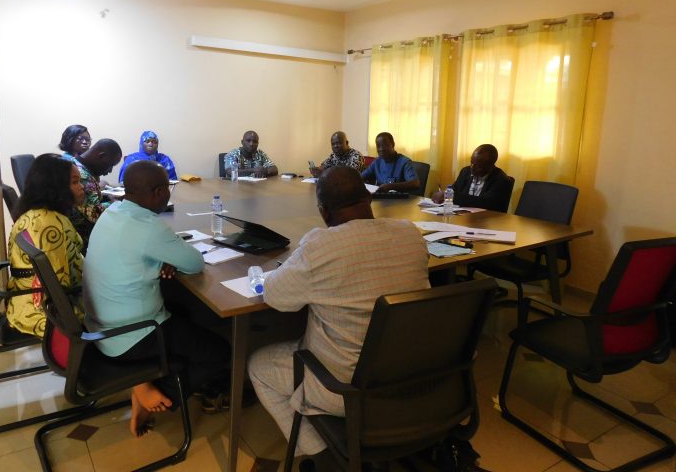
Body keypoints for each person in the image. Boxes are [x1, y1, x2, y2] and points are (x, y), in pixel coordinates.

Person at [247, 166, 430, 468]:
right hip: (413, 373)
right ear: (368, 199)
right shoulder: (411, 233)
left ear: (323, 212)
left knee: (258, 366)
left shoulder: (321, 245)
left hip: (346, 387)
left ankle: (325, 458)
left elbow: (277, 297)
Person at [82, 161, 231, 437]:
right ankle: (156, 395)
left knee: (182, 305)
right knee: (220, 351)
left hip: (98, 326)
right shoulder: (149, 228)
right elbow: (195, 263)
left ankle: (151, 379)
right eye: (169, 189)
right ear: (159, 192)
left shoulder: (113, 211)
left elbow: (147, 252)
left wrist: (165, 256)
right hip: (134, 336)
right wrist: (170, 254)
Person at [7, 153, 84, 338]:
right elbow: (59, 288)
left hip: (23, 302)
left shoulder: (33, 214)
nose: (81, 188)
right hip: (44, 313)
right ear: (56, 187)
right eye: (75, 182)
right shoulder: (50, 226)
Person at [69, 138, 122, 248]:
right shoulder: (82, 175)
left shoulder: (75, 164)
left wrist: (105, 196)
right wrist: (114, 202)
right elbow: (95, 214)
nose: (110, 170)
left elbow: (86, 200)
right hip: (82, 240)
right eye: (110, 164)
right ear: (101, 156)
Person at [432, 144, 512, 212]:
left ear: (491, 166)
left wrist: (452, 196)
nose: (472, 168)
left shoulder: (501, 180)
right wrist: (443, 194)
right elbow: (454, 189)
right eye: (472, 163)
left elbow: (484, 203)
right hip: (463, 218)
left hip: (487, 222)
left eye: (478, 166)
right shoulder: (466, 172)